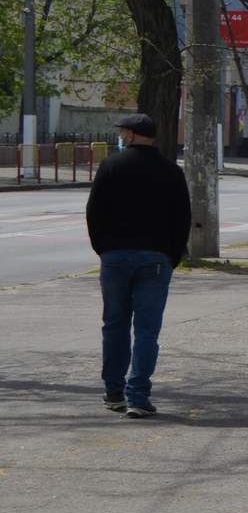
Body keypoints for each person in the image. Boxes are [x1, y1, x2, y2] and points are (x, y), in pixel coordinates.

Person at [86, 113, 191, 419]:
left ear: (131, 135)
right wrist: (171, 256)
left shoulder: (111, 166)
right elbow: (182, 218)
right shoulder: (171, 171)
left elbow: (94, 212)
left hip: (115, 256)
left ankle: (114, 392)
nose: (121, 137)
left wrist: (104, 249)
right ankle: (138, 397)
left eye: (123, 132)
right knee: (147, 330)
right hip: (156, 258)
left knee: (114, 325)